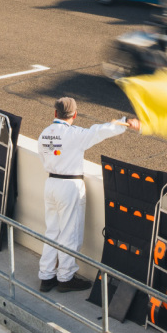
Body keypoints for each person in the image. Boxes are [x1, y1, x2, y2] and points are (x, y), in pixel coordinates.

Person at [37, 97, 140, 293]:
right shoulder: (74, 134)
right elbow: (99, 131)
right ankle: (65, 278)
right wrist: (125, 122)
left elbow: (44, 157)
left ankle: (46, 275)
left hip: (50, 183)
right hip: (70, 186)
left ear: (55, 113)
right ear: (74, 115)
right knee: (69, 233)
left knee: (52, 231)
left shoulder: (44, 134)